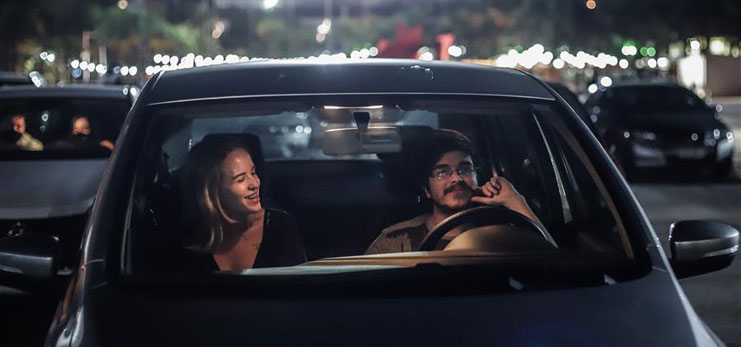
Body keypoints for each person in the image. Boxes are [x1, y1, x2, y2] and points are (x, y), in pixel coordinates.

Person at [366, 129, 547, 254]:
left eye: (465, 169)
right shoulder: (397, 239)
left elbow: (551, 260)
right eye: (442, 172)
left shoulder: (502, 232)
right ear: (426, 189)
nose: (456, 179)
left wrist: (515, 201)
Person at [179, 134, 306, 271]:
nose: (255, 183)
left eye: (253, 172)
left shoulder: (279, 226)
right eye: (240, 179)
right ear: (213, 190)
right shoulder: (189, 235)